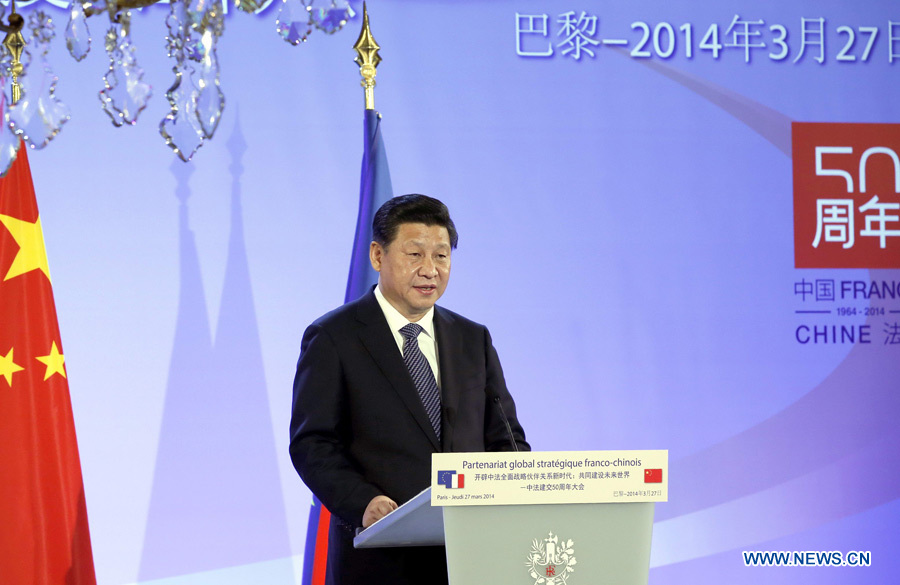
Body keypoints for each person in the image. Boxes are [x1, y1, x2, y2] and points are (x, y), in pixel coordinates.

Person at [289, 194, 529, 585]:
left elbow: (506, 438)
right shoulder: (334, 337)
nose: (430, 270)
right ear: (377, 256)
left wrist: (522, 488)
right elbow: (313, 443)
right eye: (415, 254)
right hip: (380, 558)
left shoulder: (472, 339)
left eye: (441, 256)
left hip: (471, 556)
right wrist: (362, 502)